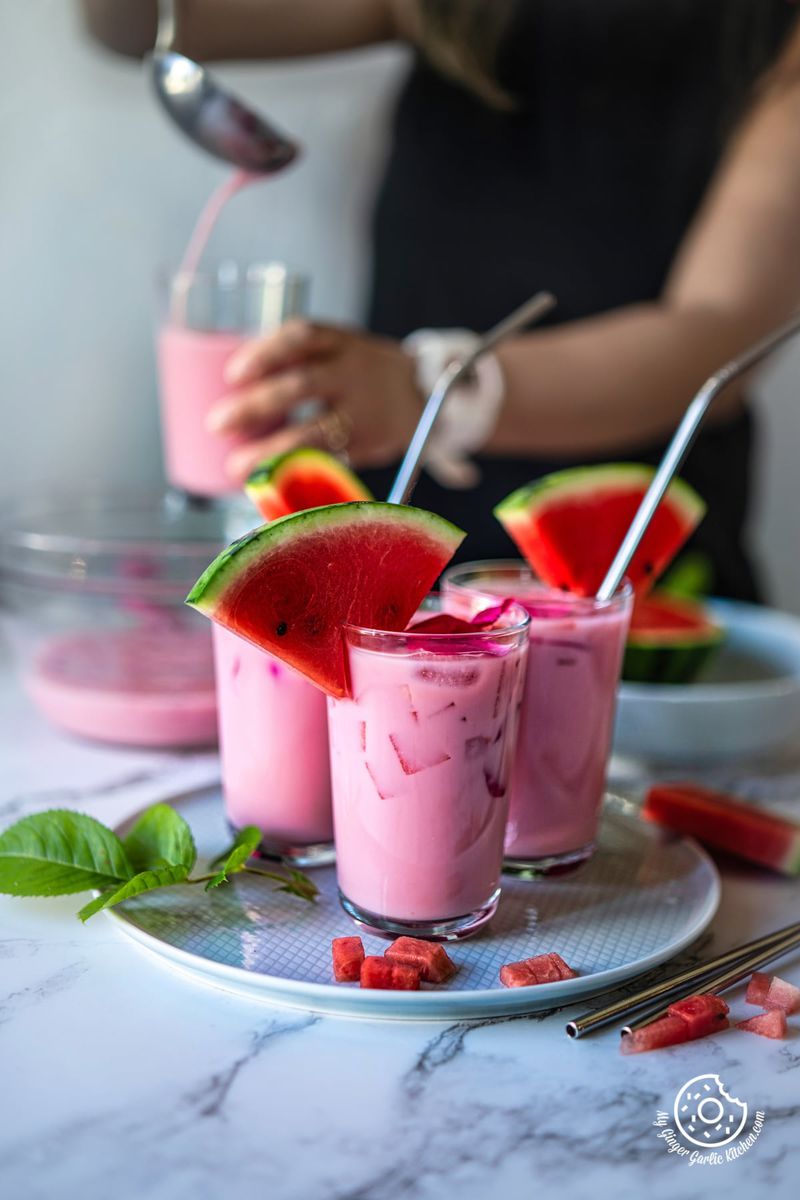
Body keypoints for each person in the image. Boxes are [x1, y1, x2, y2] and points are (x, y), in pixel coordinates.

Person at [82, 1, 800, 598]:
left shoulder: (779, 43)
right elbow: (128, 24)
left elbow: (717, 336)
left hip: (638, 576)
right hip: (389, 571)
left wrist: (426, 392)